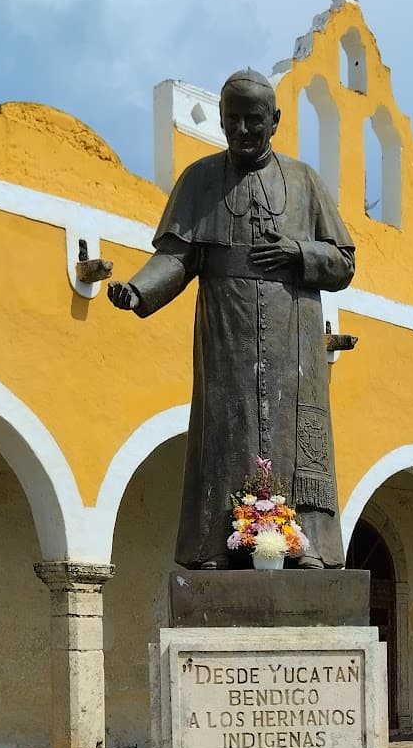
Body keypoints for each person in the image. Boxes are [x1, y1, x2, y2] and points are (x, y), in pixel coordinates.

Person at [107, 69, 355, 569]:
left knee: (292, 432)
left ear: (275, 121)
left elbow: (344, 263)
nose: (242, 131)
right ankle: (218, 544)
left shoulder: (306, 182)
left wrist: (299, 252)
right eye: (232, 120)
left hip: (294, 335)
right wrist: (138, 291)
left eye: (253, 120)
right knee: (226, 432)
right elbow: (177, 257)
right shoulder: (199, 180)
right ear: (220, 120)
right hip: (227, 332)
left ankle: (303, 544)